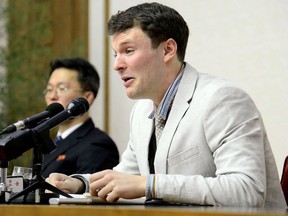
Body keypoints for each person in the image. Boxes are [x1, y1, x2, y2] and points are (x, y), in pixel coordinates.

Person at [45, 3, 286, 208]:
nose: (117, 65)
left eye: (128, 50)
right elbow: (125, 175)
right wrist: (79, 183)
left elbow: (248, 191)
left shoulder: (222, 99)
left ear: (168, 49)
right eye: (115, 54)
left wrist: (150, 184)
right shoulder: (141, 111)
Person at [41, 57, 119, 178]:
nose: (52, 96)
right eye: (49, 89)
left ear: (87, 98)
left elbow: (88, 194)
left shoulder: (98, 145)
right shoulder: (47, 143)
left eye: (62, 88)